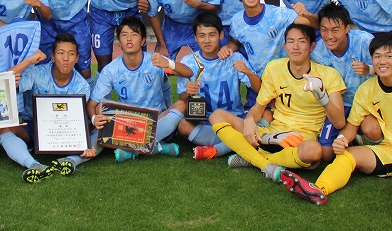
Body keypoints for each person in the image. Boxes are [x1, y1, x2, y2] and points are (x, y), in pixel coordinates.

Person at [278, 33, 392, 226]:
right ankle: (318, 189)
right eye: (377, 56)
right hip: (390, 149)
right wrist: (342, 139)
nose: (382, 61)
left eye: (389, 56)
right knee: (347, 156)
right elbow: (351, 127)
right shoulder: (367, 89)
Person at [210, 23, 346, 182]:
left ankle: (252, 157)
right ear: (285, 46)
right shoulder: (274, 68)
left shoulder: (329, 75)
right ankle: (265, 164)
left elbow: (339, 122)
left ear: (312, 47)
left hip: (299, 139)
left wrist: (322, 97)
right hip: (270, 135)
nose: (295, 47)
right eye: (291, 41)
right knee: (217, 116)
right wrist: (249, 120)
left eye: (302, 41)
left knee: (314, 151)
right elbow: (259, 107)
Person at [87, 16, 192, 162]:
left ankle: (131, 151)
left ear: (143, 41)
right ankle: (157, 147)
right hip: (127, 124)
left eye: (134, 34)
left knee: (182, 105)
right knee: (100, 108)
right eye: (124, 35)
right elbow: (92, 105)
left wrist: (169, 63)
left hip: (157, 122)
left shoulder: (155, 60)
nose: (129, 39)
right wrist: (94, 119)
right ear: (119, 42)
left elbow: (188, 72)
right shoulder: (111, 70)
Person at [0, 33, 99, 183]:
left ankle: (71, 160)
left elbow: (76, 120)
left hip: (66, 132)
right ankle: (34, 165)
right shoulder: (38, 72)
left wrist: (85, 143)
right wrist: (29, 61)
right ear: (52, 56)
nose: (66, 58)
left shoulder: (81, 86)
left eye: (71, 54)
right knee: (3, 127)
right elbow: (5, 81)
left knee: (99, 129)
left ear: (77, 58)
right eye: (61, 53)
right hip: (33, 128)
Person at [164, 13, 260, 160]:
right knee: (183, 126)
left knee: (266, 115)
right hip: (206, 121)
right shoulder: (188, 62)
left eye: (212, 35)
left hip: (234, 118)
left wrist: (248, 72)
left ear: (221, 35)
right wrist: (189, 93)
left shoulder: (234, 57)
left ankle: (220, 147)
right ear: (195, 38)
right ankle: (239, 141)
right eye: (202, 36)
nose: (207, 40)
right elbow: (183, 99)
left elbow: (258, 89)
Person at [312, 2, 381, 162]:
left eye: (335, 30)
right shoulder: (317, 52)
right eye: (324, 30)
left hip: (366, 104)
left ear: (347, 28)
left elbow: (388, 67)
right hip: (339, 105)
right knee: (326, 154)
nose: (329, 36)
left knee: (372, 130)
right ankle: (351, 137)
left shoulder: (365, 42)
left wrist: (369, 69)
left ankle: (377, 148)